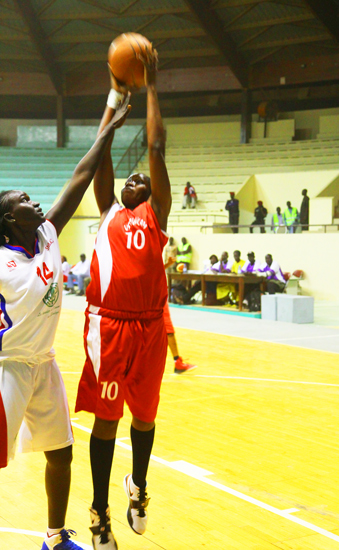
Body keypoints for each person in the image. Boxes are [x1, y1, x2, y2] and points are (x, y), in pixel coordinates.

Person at [0, 100, 129, 550]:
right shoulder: (1, 261)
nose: (34, 203)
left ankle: (54, 538)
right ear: (7, 221)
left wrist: (107, 130)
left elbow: (79, 177)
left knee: (61, 451)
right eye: (22, 202)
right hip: (8, 367)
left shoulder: (48, 234)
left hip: (44, 364)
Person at [74, 48, 172, 549]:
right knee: (107, 420)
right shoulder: (109, 208)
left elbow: (155, 147)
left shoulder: (156, 214)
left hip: (150, 326)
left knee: (147, 417)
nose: (136, 178)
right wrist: (113, 104)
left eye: (142, 179)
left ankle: (139, 487)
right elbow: (102, 153)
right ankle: (99, 511)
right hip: (109, 325)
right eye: (129, 179)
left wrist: (151, 86)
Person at [164, 258, 197, 373]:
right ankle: (177, 362)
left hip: (153, 297)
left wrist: (168, 264)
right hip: (155, 299)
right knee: (168, 331)